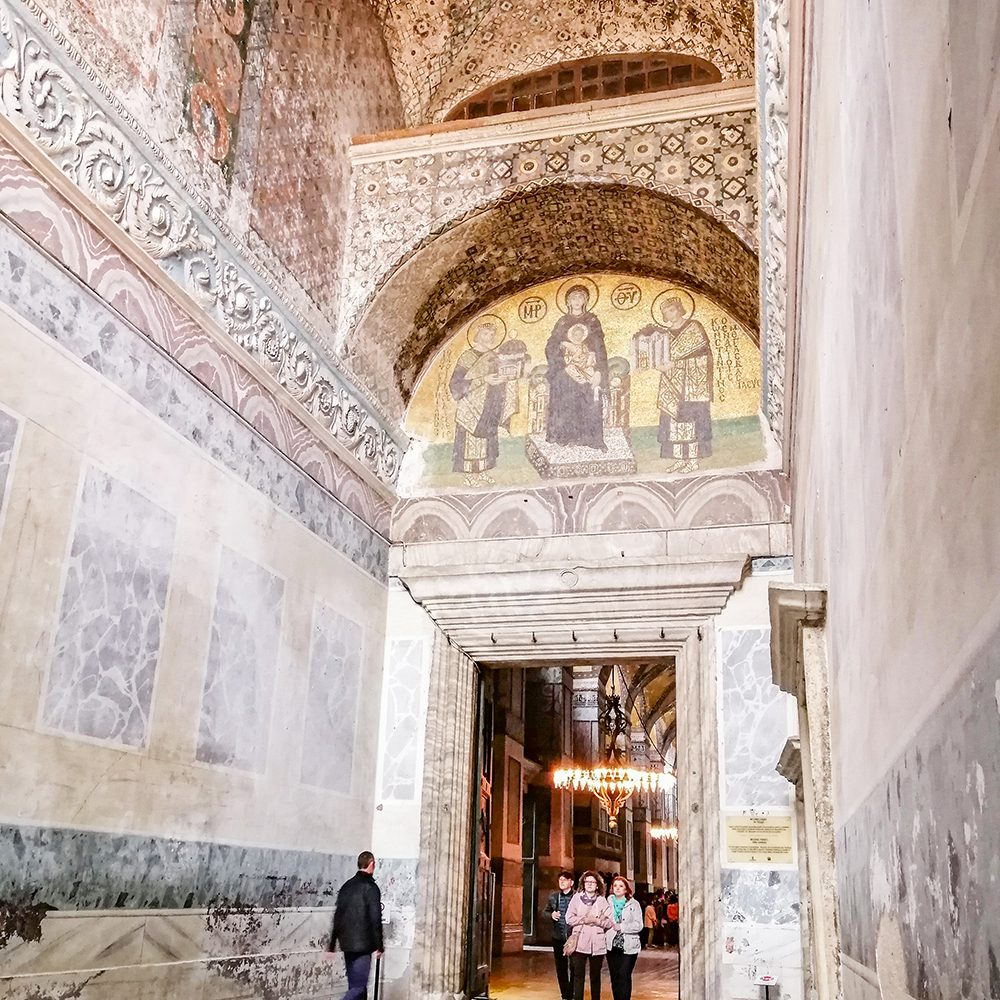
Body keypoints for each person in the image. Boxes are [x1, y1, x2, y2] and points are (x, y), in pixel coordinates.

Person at [634, 292, 713, 473]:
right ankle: (679, 460)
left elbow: (704, 356)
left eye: (672, 309)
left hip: (693, 385)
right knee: (673, 422)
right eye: (667, 312)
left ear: (680, 309)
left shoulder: (694, 327)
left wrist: (675, 363)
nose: (670, 314)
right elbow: (658, 356)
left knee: (691, 421)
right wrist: (654, 364)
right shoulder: (664, 334)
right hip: (671, 383)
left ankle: (692, 460)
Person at [450, 320, 521, 487]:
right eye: (484, 333)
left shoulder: (495, 357)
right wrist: (483, 380)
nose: (488, 337)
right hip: (471, 406)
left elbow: (501, 377)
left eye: (491, 335)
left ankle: (482, 471)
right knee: (471, 441)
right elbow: (456, 384)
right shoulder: (467, 357)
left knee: (486, 439)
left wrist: (506, 380)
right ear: (477, 335)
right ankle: (470, 475)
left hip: (489, 404)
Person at [544, 284, 608, 450]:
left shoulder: (592, 321)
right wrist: (563, 348)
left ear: (585, 300)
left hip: (587, 368)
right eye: (573, 297)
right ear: (568, 302)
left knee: (588, 397)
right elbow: (551, 344)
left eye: (580, 297)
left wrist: (599, 370)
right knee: (564, 397)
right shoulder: (563, 322)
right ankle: (565, 437)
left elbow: (599, 346)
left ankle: (588, 438)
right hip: (566, 369)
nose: (577, 300)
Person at [327, 851, 384, 1000]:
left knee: (356, 987)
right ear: (371, 864)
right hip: (363, 945)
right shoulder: (371, 888)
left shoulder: (346, 886)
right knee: (358, 988)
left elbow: (338, 915)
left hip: (347, 943)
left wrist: (332, 944)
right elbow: (375, 918)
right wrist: (379, 945)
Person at [565, 870, 613, 1000]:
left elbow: (610, 922)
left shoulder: (602, 901)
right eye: (587, 882)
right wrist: (585, 920)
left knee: (595, 976)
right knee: (578, 975)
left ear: (597, 885)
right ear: (583, 884)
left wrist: (597, 921)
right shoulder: (576, 898)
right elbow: (569, 918)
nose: (590, 884)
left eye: (593, 882)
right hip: (580, 941)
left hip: (597, 944)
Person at [605, 875, 643, 1000]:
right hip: (612, 944)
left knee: (624, 975)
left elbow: (639, 925)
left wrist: (622, 926)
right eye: (615, 886)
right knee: (614, 977)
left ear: (626, 889)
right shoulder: (608, 902)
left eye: (621, 886)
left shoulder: (634, 904)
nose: (617, 888)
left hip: (629, 945)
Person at [544, 870, 577, 1000]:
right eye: (560, 880)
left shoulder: (577, 897)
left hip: (573, 936)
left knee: (574, 966)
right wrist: (551, 915)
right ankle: (565, 994)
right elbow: (544, 912)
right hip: (558, 937)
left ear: (571, 882)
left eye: (565, 880)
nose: (562, 882)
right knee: (561, 967)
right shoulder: (553, 897)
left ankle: (573, 991)